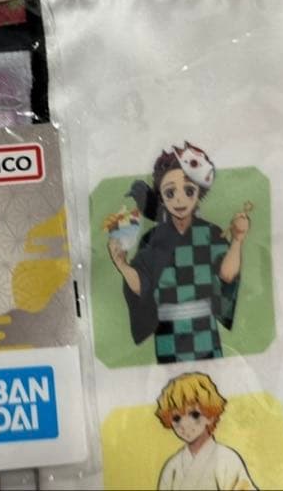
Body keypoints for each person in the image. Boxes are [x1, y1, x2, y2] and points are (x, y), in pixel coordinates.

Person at [105, 143, 250, 363]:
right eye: (170, 193)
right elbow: (143, 286)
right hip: (167, 333)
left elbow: (227, 275)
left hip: (204, 330)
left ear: (199, 192)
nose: (179, 200)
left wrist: (238, 240)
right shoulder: (152, 239)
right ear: (161, 197)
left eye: (188, 190)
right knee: (169, 381)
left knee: (210, 380)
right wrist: (121, 264)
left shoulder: (211, 234)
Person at [155, 372, 257, 490]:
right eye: (176, 418)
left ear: (211, 416)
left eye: (194, 415)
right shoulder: (172, 466)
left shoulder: (227, 459)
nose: (184, 424)